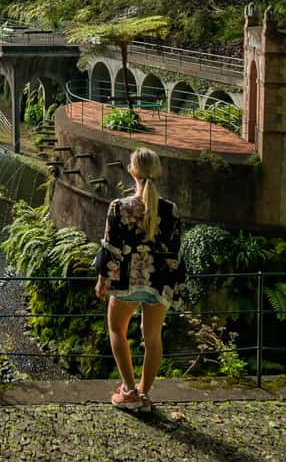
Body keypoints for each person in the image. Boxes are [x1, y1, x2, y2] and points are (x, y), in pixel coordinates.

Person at [94, 148, 185, 412]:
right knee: (153, 338)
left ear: (132, 172)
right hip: (159, 282)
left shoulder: (118, 207)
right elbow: (174, 252)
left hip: (127, 281)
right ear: (157, 172)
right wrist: (175, 287)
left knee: (116, 329)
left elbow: (111, 248)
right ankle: (144, 395)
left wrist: (102, 279)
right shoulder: (171, 210)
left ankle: (128, 391)